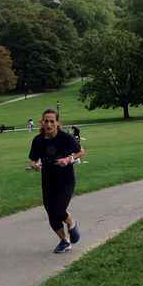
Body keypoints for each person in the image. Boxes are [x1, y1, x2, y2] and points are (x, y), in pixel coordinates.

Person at [28, 107, 84, 254]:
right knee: (51, 214)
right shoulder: (38, 140)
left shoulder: (65, 137)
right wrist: (35, 165)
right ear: (42, 122)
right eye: (46, 121)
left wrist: (68, 159)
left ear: (57, 123)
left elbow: (81, 151)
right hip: (48, 182)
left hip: (66, 181)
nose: (49, 124)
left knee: (59, 211)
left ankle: (71, 223)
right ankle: (64, 241)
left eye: (52, 121)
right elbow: (33, 159)